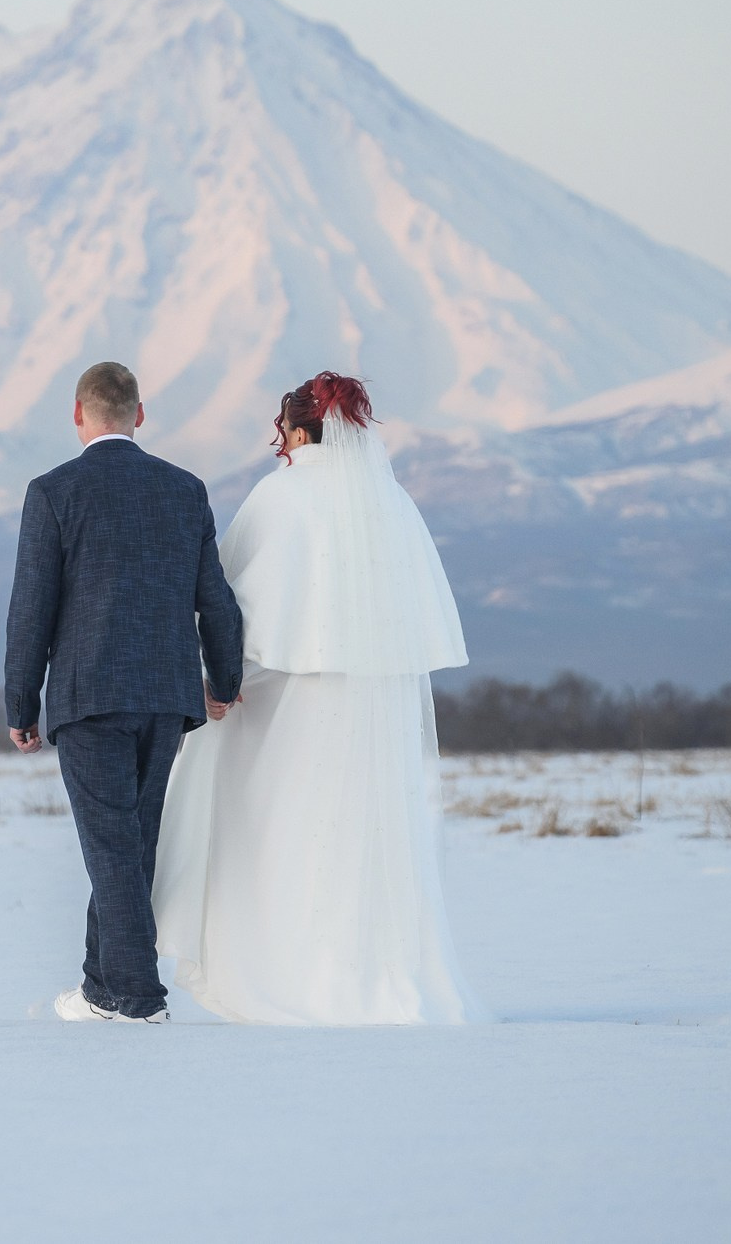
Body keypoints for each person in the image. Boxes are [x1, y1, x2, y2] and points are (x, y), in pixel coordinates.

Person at [151, 371, 488, 1026]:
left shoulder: (281, 495)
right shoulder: (392, 505)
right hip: (374, 709)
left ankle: (282, 972)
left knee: (278, 835)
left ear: (297, 430)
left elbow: (230, 601)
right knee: (355, 840)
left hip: (286, 707)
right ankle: (367, 972)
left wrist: (219, 682)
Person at [4, 361, 244, 1024]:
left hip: (88, 696)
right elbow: (214, 601)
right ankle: (101, 988)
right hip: (166, 697)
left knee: (115, 849)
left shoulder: (52, 491)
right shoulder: (184, 489)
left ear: (78, 416)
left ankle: (138, 997)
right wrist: (223, 681)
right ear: (140, 414)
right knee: (130, 845)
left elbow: (31, 610)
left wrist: (21, 704)